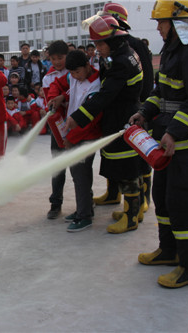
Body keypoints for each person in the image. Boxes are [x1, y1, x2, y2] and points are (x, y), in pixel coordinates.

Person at [130, 0, 188, 288]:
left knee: (184, 204)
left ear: (178, 22)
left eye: (162, 22)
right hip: (168, 141)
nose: (158, 27)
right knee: (164, 199)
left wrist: (175, 132)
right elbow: (161, 91)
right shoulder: (172, 50)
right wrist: (145, 113)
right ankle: (168, 251)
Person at [66, 15, 144, 234]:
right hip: (122, 116)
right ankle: (132, 210)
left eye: (100, 43)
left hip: (123, 119)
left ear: (112, 41)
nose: (97, 49)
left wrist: (77, 117)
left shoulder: (120, 62)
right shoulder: (122, 54)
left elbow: (105, 95)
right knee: (122, 167)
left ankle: (130, 218)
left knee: (127, 168)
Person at [93, 2, 155, 222]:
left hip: (134, 110)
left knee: (135, 160)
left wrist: (144, 107)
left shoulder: (132, 46)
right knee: (113, 157)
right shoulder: (108, 47)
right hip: (114, 109)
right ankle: (113, 194)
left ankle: (141, 199)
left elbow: (147, 79)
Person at [47, 50, 101, 232]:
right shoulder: (75, 78)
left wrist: (70, 138)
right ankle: (84, 208)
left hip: (86, 136)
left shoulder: (96, 85)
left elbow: (90, 119)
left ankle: (84, 216)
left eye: (77, 72)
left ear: (87, 66)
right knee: (79, 174)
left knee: (80, 176)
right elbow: (59, 85)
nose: (74, 77)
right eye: (71, 73)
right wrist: (61, 96)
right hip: (74, 134)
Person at [41, 40, 69, 219]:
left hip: (77, 125)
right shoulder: (48, 78)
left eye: (61, 58)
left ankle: (86, 203)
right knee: (58, 166)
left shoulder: (74, 71)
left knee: (79, 168)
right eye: (54, 59)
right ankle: (55, 203)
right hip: (58, 127)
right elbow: (48, 102)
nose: (57, 62)